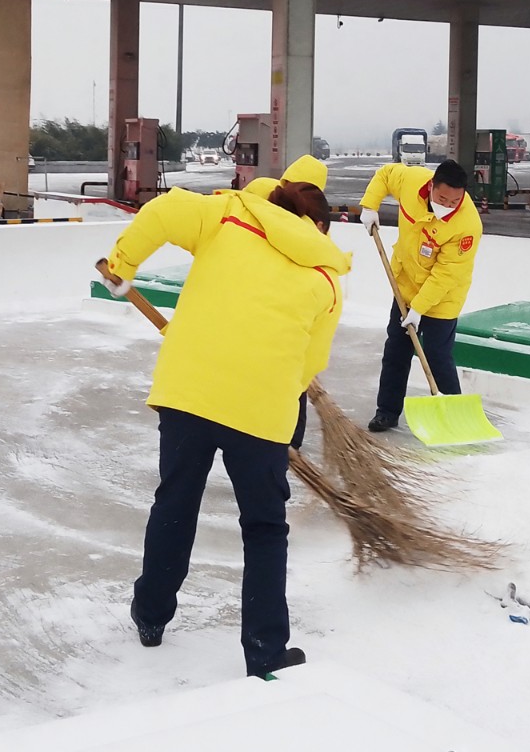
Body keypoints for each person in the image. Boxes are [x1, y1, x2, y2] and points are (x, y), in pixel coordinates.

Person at [99, 163, 349, 679]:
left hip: (188, 391)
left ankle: (151, 616)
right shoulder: (326, 280)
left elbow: (166, 209)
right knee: (264, 529)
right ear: (319, 226)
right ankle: (265, 652)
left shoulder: (229, 216)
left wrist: (123, 263)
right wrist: (277, 402)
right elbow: (310, 364)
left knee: (175, 503)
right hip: (260, 413)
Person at [358, 158, 483, 433]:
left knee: (437, 355)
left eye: (455, 201)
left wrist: (419, 309)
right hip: (405, 286)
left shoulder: (467, 225)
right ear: (431, 186)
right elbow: (385, 174)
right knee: (396, 350)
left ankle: (454, 417)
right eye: (442, 198)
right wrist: (370, 206)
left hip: (442, 298)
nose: (447, 205)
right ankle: (387, 412)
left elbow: (446, 275)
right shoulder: (411, 181)